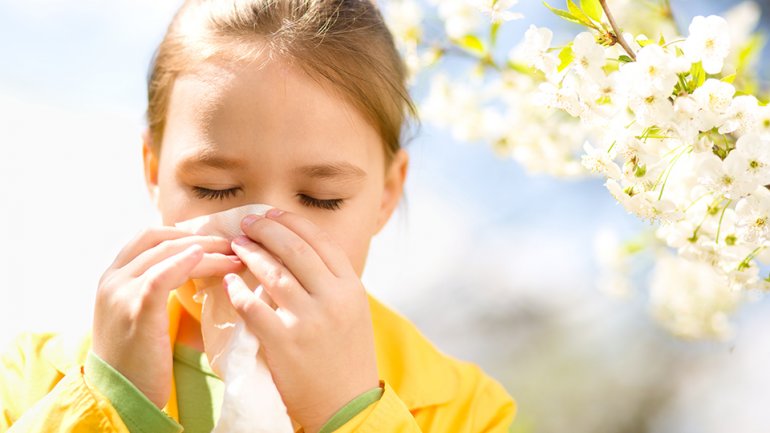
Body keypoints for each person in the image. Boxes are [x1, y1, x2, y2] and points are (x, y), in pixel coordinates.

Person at [0, 1, 517, 432]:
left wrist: (348, 411)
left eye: (321, 197)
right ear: (154, 171)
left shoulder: (464, 408)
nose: (264, 231)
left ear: (386, 193)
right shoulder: (33, 379)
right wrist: (112, 399)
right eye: (214, 189)